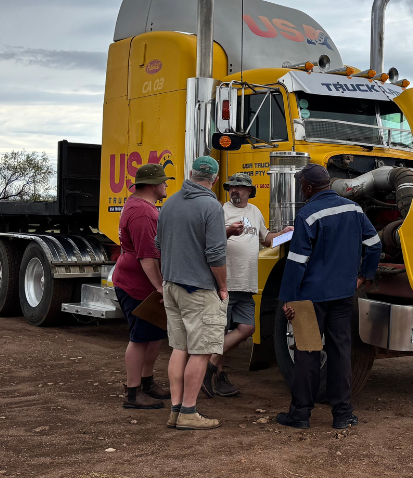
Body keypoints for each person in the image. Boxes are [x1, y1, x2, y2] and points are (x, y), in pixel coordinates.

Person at [276, 163, 382, 430]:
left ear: (309, 187)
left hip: (310, 300)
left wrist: (287, 299)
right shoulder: (354, 209)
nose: (301, 188)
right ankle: (343, 414)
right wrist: (363, 276)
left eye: (302, 184)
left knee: (308, 353)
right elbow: (374, 244)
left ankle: (300, 415)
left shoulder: (308, 214)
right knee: (340, 352)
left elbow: (297, 260)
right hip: (343, 295)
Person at [155, 155, 229, 430]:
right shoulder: (211, 206)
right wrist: (222, 286)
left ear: (190, 173)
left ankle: (175, 410)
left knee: (179, 348)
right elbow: (215, 253)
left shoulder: (170, 203)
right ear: (215, 179)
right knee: (201, 351)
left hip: (172, 285)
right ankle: (189, 411)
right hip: (198, 287)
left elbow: (158, 245)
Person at [204, 173, 292, 398]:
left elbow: (267, 240)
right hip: (224, 282)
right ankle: (218, 378)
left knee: (247, 328)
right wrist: (228, 231)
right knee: (220, 331)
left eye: (240, 187)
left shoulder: (254, 212)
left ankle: (208, 367)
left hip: (248, 283)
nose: (235, 190)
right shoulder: (219, 211)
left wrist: (285, 235)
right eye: (232, 187)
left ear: (249, 191)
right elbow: (209, 240)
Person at [112, 163, 173, 409]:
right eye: (163, 181)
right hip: (137, 285)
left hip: (140, 283)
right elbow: (147, 256)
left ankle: (147, 383)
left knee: (153, 335)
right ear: (153, 185)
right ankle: (133, 392)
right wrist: (160, 287)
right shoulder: (143, 213)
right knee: (139, 338)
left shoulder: (139, 206)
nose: (166, 185)